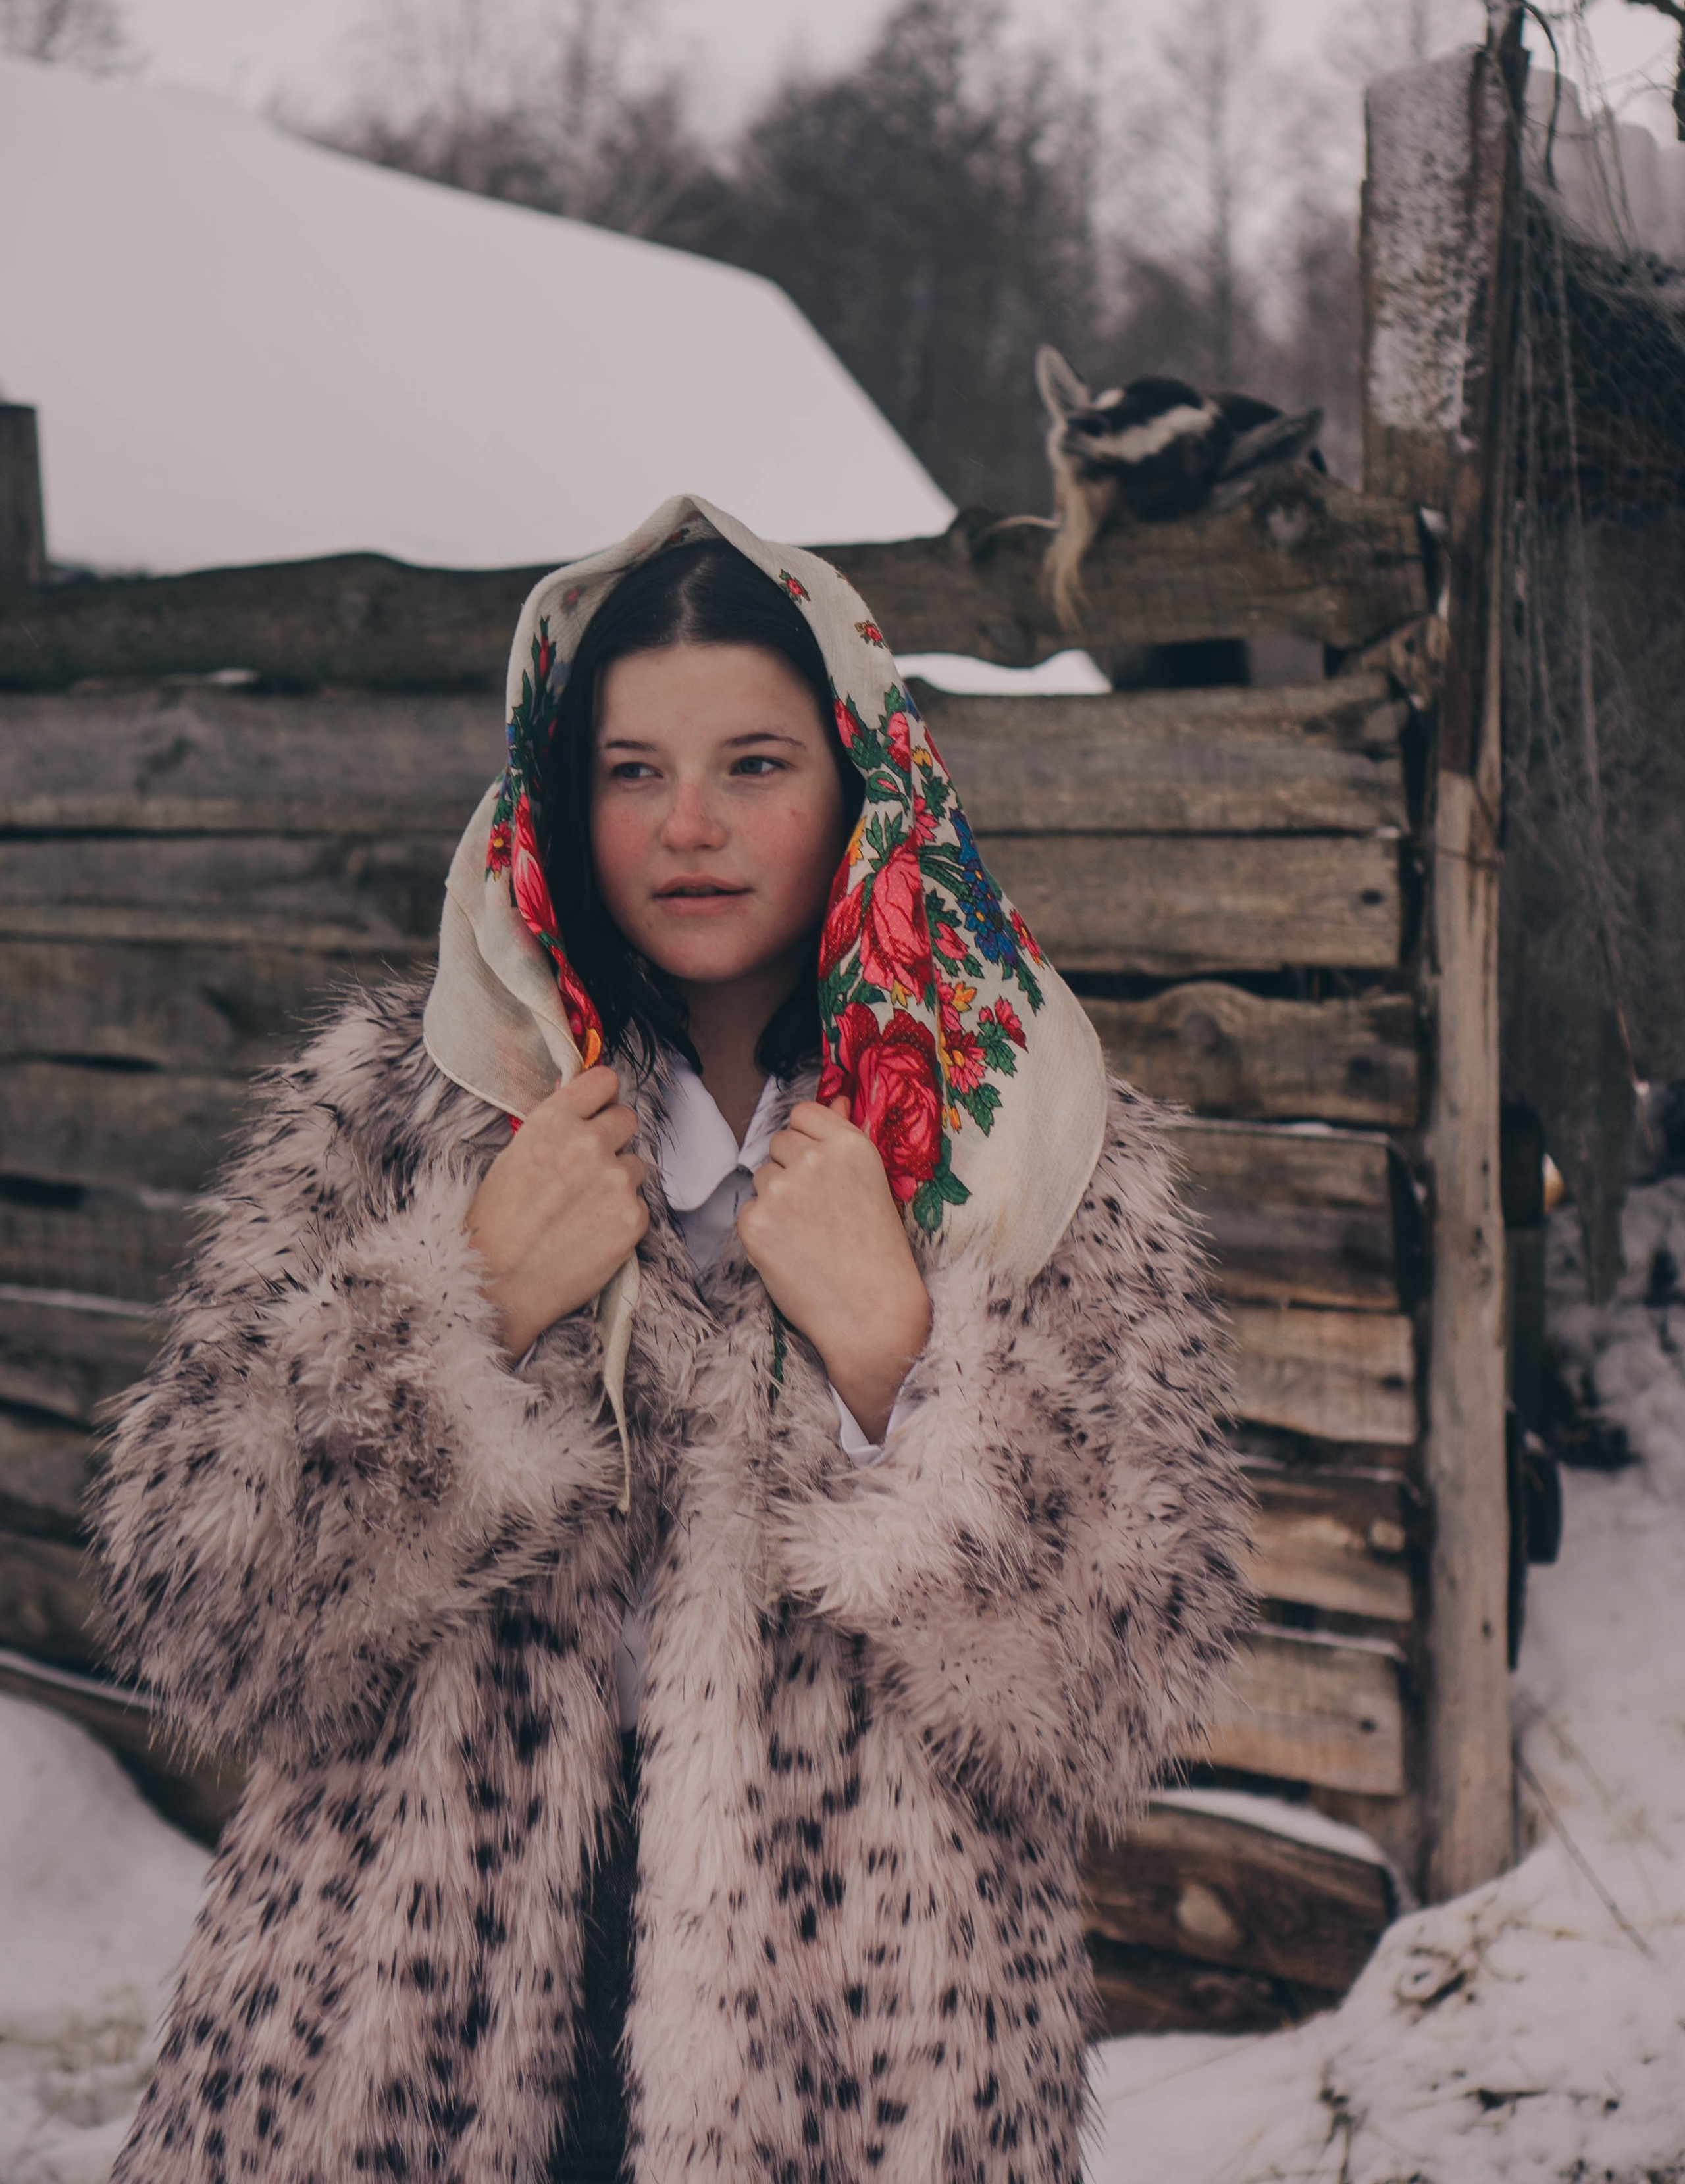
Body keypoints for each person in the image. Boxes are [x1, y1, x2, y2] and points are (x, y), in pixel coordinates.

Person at [93, 498, 1251, 2184]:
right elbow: (202, 1620)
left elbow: (1112, 1701)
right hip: (381, 2055)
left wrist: (893, 1362)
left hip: (861, 2077)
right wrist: (464, 1310)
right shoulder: (405, 1110)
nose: (687, 826)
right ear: (558, 798)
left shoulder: (1027, 1145)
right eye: (630, 770)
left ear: (861, 783)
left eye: (754, 766)